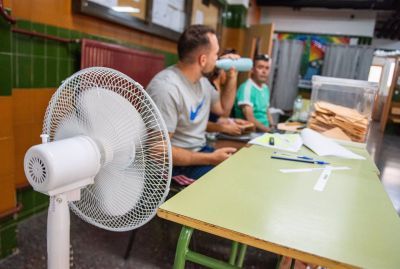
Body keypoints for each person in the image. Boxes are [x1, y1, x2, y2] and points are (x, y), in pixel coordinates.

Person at [146, 25, 239, 180]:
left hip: (200, 152)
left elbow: (223, 110)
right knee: (227, 181)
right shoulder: (166, 88)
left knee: (238, 170)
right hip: (175, 167)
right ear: (203, 60)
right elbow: (157, 151)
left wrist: (232, 76)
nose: (218, 59)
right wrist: (210, 158)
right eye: (216, 54)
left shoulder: (202, 82)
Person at [234, 54, 275, 132]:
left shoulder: (265, 88)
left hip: (265, 131)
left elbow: (266, 110)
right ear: (252, 69)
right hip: (252, 132)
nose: (264, 71)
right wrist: (269, 131)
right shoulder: (246, 88)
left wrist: (272, 125)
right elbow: (250, 118)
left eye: (267, 68)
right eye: (260, 67)